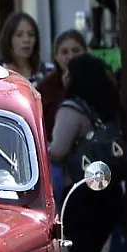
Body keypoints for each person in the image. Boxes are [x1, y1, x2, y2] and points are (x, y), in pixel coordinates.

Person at [46, 53, 125, 252]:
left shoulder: (72, 109)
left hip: (81, 192)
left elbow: (57, 150)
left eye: (69, 72)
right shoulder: (107, 108)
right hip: (108, 190)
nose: (64, 76)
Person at [35, 30, 88, 203]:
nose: (70, 56)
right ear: (56, 56)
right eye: (64, 52)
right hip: (55, 159)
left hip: (89, 158)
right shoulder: (45, 88)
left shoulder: (96, 80)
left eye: (76, 50)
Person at [0, 12, 53, 85]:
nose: (26, 40)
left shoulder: (49, 72)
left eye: (31, 35)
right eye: (19, 35)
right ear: (8, 39)